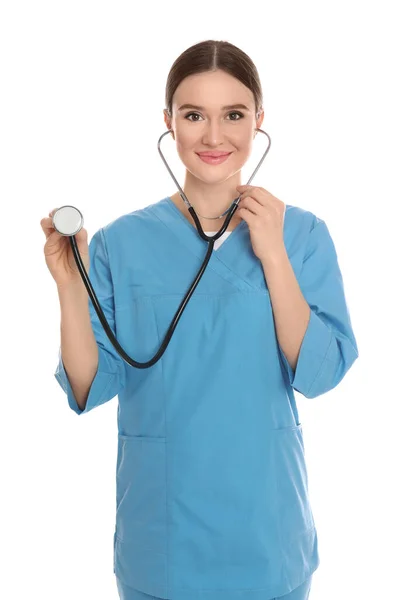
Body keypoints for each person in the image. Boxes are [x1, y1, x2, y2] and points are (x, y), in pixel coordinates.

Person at [41, 40, 359, 600]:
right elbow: (91, 386)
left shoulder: (302, 235)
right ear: (169, 123)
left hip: (267, 536)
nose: (214, 138)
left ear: (259, 120)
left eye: (233, 115)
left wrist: (273, 253)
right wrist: (71, 288)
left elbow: (321, 374)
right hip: (160, 538)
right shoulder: (124, 242)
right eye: (194, 116)